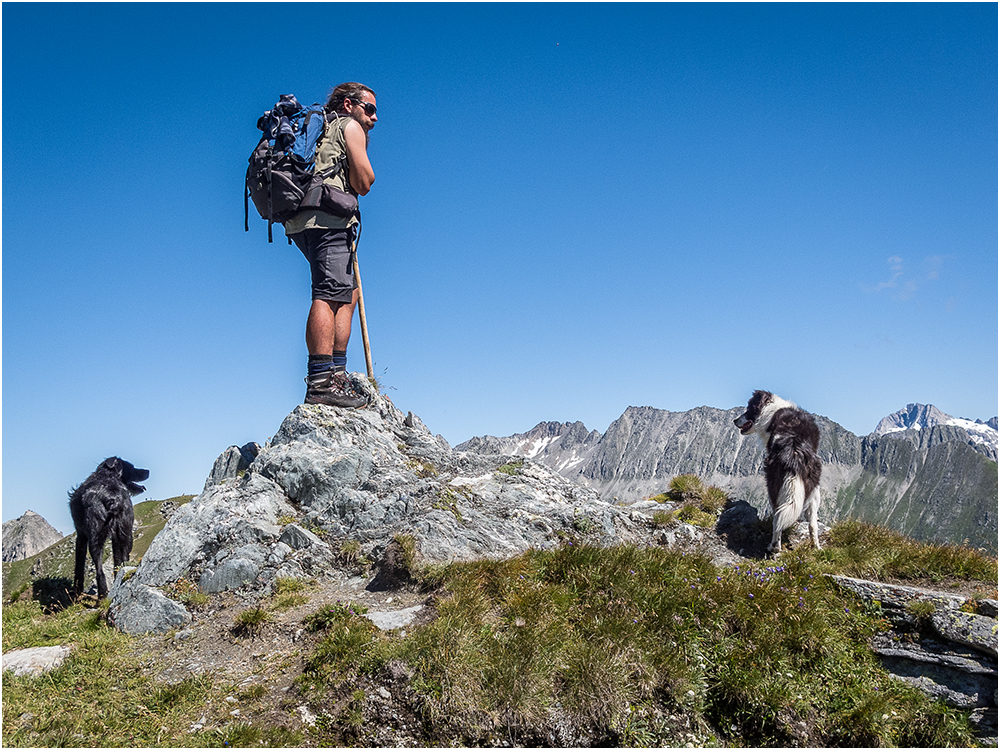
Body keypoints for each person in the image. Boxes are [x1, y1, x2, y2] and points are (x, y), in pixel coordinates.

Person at [284, 82, 377, 407]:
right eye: (370, 108)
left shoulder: (322, 126)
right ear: (349, 104)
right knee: (328, 292)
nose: (374, 118)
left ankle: (336, 374)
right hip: (328, 218)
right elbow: (364, 181)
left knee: (346, 292)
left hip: (305, 217)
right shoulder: (348, 126)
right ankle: (322, 380)